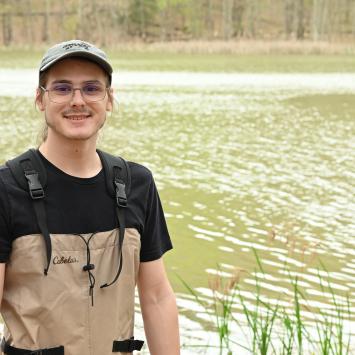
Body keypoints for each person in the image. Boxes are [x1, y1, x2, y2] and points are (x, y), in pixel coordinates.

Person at [0, 40, 180, 355]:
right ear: (40, 99)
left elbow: (156, 296)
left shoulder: (137, 184)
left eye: (91, 88)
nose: (78, 101)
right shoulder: (6, 188)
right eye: (62, 88)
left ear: (109, 99)